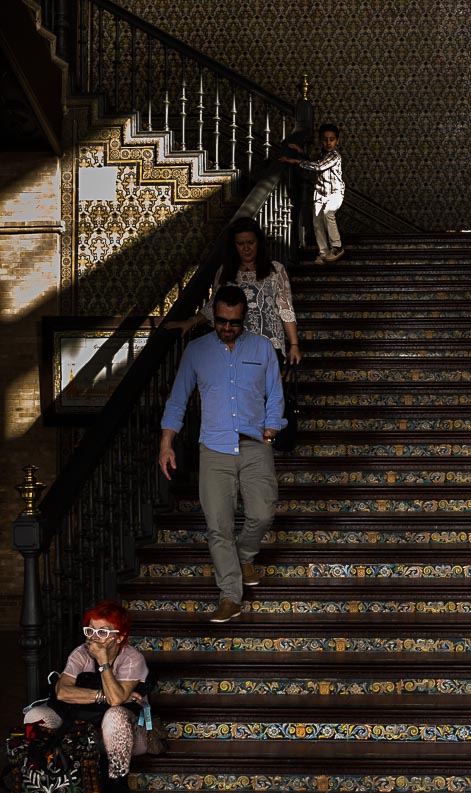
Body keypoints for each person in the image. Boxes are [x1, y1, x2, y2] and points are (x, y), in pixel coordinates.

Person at [159, 284, 285, 624]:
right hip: (214, 449)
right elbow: (178, 400)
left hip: (256, 446)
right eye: (221, 321)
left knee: (262, 512)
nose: (227, 328)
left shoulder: (261, 348)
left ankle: (245, 554)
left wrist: (272, 427)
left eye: (234, 322)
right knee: (218, 526)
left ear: (245, 319)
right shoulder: (197, 352)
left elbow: (275, 393)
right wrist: (166, 442)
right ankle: (230, 596)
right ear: (213, 317)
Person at [23, 600, 149, 787]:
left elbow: (116, 701)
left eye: (103, 632)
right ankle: (41, 780)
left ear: (120, 637)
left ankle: (116, 784)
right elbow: (62, 692)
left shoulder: (132, 658)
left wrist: (103, 661)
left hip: (127, 735)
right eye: (90, 631)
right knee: (35, 715)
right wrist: (102, 696)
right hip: (81, 727)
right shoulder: (81, 653)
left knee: (115, 715)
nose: (94, 638)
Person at [165, 217, 302, 365]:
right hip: (232, 345)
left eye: (250, 242)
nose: (246, 248)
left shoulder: (275, 270)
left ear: (259, 243)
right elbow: (214, 306)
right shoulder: (225, 271)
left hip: (267, 346)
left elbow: (285, 308)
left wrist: (294, 345)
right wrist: (191, 322)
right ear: (234, 246)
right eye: (240, 244)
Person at [280, 123, 345, 264]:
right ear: (321, 140)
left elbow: (319, 166)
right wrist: (300, 152)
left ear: (337, 141)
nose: (328, 143)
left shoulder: (335, 156)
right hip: (320, 193)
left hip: (334, 193)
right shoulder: (322, 154)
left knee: (328, 213)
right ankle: (324, 254)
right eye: (325, 139)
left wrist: (296, 161)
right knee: (317, 223)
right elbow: (314, 161)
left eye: (332, 139)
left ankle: (337, 247)